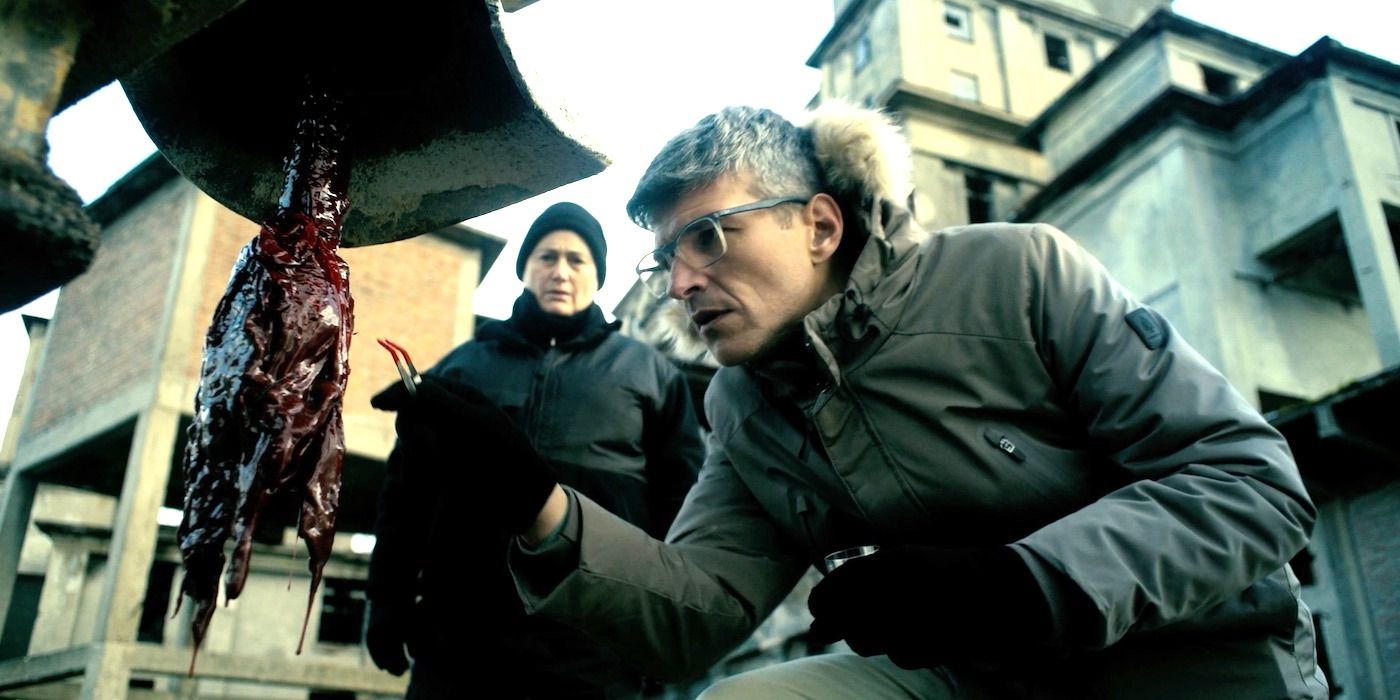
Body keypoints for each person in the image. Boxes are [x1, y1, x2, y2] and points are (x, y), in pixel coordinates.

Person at [378, 104, 1330, 699]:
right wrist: (536, 504)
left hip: (1196, 664)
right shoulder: (741, 410)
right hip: (977, 682)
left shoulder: (1021, 273)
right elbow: (695, 616)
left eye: (708, 238)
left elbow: (1254, 485)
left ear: (821, 223)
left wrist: (1008, 583)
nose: (678, 284)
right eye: (665, 258)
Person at [364, 202, 705, 699]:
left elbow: (681, 505)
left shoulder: (652, 373)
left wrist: (664, 631)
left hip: (594, 646)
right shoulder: (461, 368)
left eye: (577, 260)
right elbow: (406, 494)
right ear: (525, 269)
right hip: (459, 641)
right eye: (546, 257)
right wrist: (387, 601)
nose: (560, 272)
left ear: (598, 276)